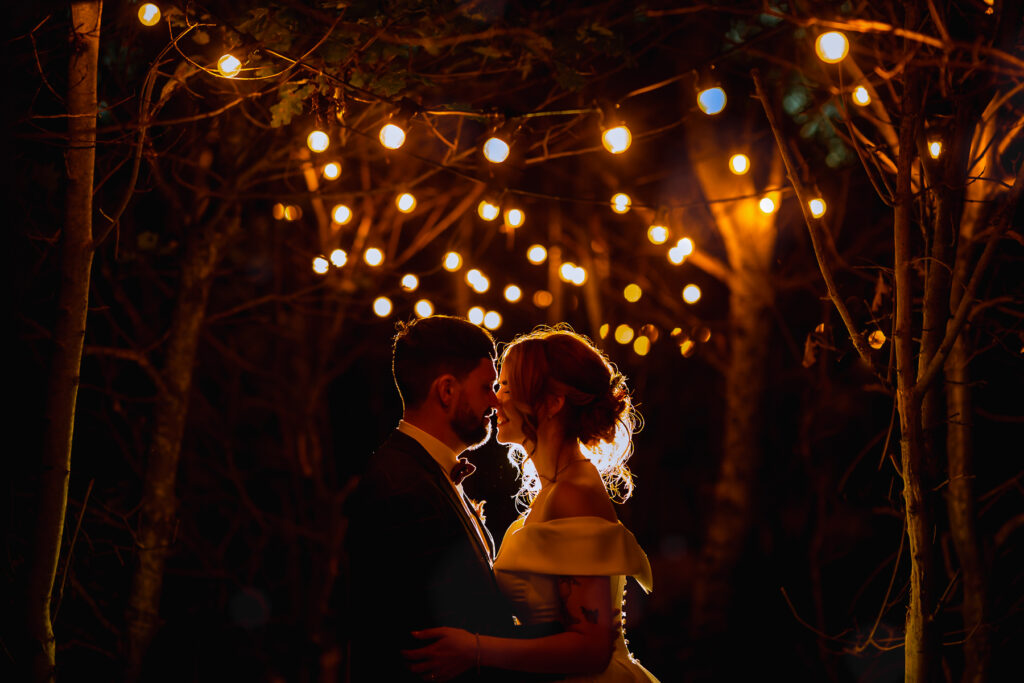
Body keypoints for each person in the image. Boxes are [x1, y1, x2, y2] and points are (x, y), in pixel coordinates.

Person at [403, 325, 657, 682]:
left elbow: (592, 648)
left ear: (552, 402)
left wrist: (474, 649)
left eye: (506, 387)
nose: (495, 400)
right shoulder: (556, 488)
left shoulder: (575, 492)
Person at [343, 315, 537, 682]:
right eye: (486, 387)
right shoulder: (403, 489)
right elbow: (450, 630)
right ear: (446, 390)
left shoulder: (419, 472)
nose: (496, 402)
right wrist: (576, 646)